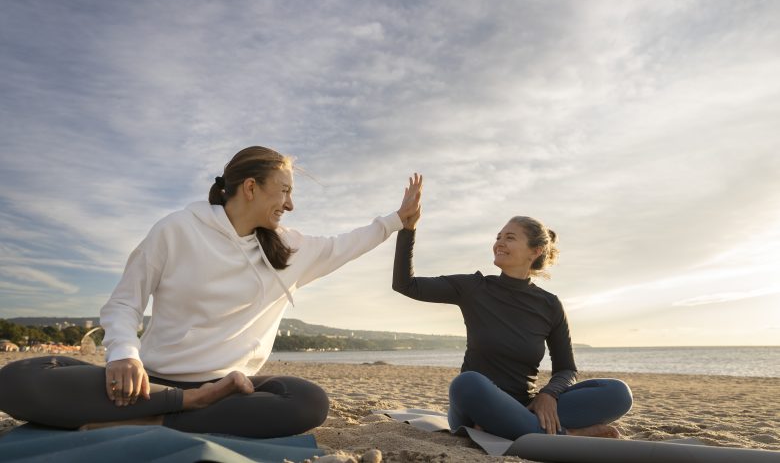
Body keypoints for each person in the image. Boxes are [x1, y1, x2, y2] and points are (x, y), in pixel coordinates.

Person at [0, 146, 421, 438]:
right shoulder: (176, 229)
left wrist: (397, 220)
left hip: (229, 390)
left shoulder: (290, 249)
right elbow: (125, 302)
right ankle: (179, 407)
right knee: (16, 380)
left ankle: (156, 420)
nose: (291, 204)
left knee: (308, 401)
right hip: (150, 384)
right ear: (251, 187)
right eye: (286, 190)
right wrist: (125, 355)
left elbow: (346, 244)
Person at [392, 176, 632, 439]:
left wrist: (548, 394)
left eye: (510, 237)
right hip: (476, 403)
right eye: (498, 237)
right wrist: (408, 229)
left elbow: (566, 368)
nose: (499, 243)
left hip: (524, 406)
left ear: (535, 251)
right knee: (466, 383)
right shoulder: (474, 287)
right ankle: (568, 435)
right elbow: (406, 284)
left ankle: (515, 426)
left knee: (618, 393)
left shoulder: (550, 305)